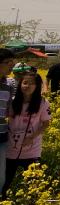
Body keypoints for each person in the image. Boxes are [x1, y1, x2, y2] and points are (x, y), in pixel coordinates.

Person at [2, 69, 50, 199]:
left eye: (32, 83)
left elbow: (46, 123)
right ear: (20, 84)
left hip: (31, 148)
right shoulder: (11, 101)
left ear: (37, 86)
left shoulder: (43, 103)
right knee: (5, 179)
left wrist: (32, 137)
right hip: (11, 146)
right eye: (25, 83)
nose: (27, 86)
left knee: (35, 181)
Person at [0, 49, 15, 195]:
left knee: (0, 177)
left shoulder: (8, 85)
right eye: (8, 63)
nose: (12, 65)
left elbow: (8, 110)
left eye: (12, 62)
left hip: (2, 135)